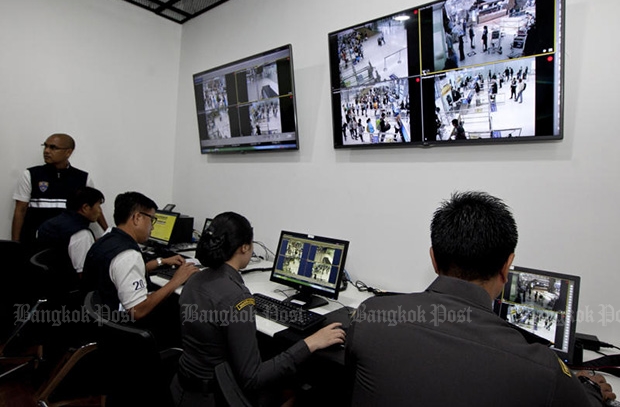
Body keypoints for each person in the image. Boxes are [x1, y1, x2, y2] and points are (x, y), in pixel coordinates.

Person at [345, 191, 615, 406]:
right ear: (507, 266)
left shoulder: (370, 314)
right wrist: (591, 388)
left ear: (433, 259)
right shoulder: (542, 368)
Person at [171, 212, 345, 406]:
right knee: (306, 391)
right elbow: (253, 378)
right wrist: (310, 343)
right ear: (245, 247)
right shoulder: (238, 298)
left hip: (183, 388)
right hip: (217, 397)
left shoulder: (194, 279)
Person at [82, 191, 198, 346]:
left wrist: (160, 261)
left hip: (100, 319)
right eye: (152, 220)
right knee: (179, 306)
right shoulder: (128, 255)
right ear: (137, 218)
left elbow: (119, 273)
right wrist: (176, 280)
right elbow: (138, 311)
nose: (152, 227)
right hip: (123, 331)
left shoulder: (107, 239)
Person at [12, 133, 108, 251]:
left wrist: (107, 231)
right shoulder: (31, 175)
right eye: (45, 146)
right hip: (36, 244)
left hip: (70, 246)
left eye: (53, 147)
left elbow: (95, 208)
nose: (46, 151)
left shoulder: (82, 178)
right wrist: (15, 245)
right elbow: (20, 211)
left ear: (68, 152)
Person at [36, 186, 105, 276]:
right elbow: (84, 275)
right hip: (68, 284)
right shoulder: (81, 233)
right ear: (85, 208)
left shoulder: (48, 224)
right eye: (98, 206)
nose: (100, 211)